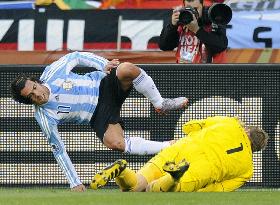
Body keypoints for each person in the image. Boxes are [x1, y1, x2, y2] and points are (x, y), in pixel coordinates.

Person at [10, 51, 188, 192]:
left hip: (104, 86)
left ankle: (160, 103)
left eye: (35, 88)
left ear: (36, 81)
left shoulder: (53, 72)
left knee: (126, 68)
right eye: (31, 96)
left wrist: (103, 64)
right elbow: (59, 150)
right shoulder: (44, 116)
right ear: (29, 101)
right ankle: (170, 146)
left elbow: (77, 56)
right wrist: (75, 182)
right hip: (97, 115)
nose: (38, 94)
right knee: (116, 143)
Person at [90, 116, 269, 192]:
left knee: (136, 186)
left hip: (180, 149)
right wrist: (198, 192)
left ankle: (121, 170)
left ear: (247, 131)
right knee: (152, 192)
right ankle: (173, 178)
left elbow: (189, 126)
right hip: (197, 172)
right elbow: (219, 189)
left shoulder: (230, 122)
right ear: (255, 150)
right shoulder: (247, 169)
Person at [158, 0, 228, 63]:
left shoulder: (213, 18)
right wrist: (172, 26)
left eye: (196, 9)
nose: (192, 12)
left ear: (202, 6)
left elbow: (220, 46)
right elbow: (164, 46)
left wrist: (197, 30)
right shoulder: (182, 19)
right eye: (188, 8)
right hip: (183, 72)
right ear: (184, 6)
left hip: (208, 73)